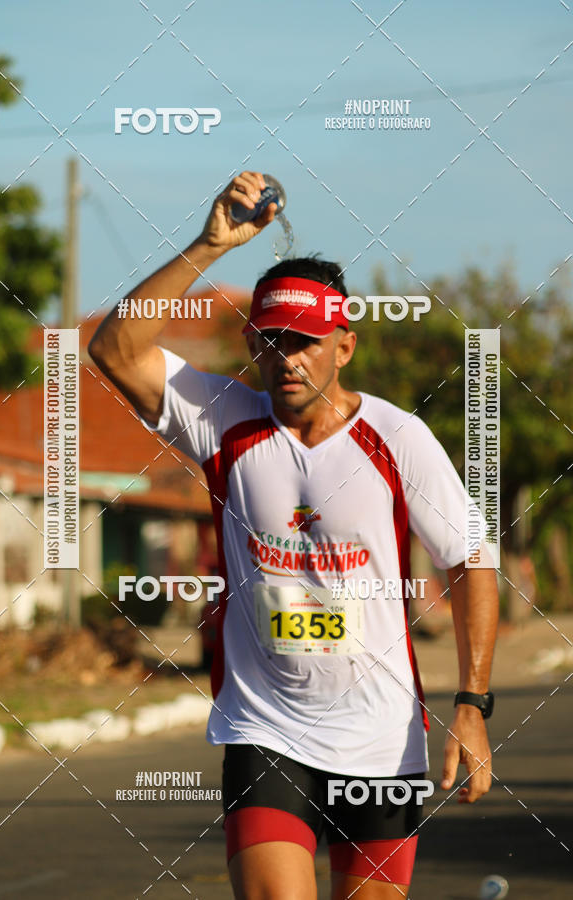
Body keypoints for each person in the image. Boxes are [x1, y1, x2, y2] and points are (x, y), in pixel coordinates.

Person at [89, 171, 499, 899]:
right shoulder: (224, 420)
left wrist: (472, 705)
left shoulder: (397, 439)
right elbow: (115, 349)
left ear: (344, 346)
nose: (289, 357)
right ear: (254, 342)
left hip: (381, 739)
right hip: (265, 730)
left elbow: (471, 562)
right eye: (274, 340)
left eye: (307, 341)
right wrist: (209, 245)